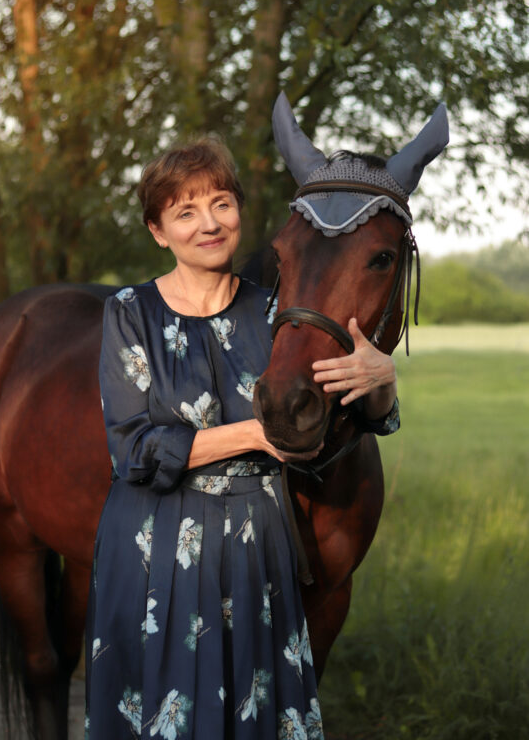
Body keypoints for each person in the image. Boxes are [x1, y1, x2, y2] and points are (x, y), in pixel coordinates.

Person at [85, 137, 398, 740]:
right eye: (186, 212)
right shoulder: (129, 312)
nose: (209, 224)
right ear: (158, 232)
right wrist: (254, 434)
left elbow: (359, 422)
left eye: (221, 204)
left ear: (240, 213)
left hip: (257, 552)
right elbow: (134, 452)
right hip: (155, 551)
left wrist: (383, 379)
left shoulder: (280, 315)